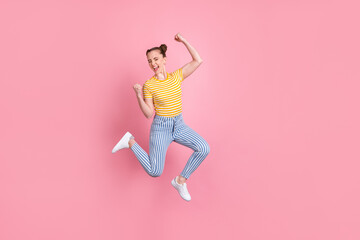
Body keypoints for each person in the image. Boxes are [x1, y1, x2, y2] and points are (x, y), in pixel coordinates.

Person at [112, 33, 210, 201]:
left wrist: (184, 41)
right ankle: (130, 141)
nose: (153, 64)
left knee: (204, 148)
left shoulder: (176, 76)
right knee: (155, 171)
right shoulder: (149, 85)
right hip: (161, 127)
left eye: (156, 59)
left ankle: (180, 181)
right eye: (150, 61)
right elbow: (149, 113)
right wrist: (138, 95)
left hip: (178, 125)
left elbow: (198, 60)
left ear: (164, 59)